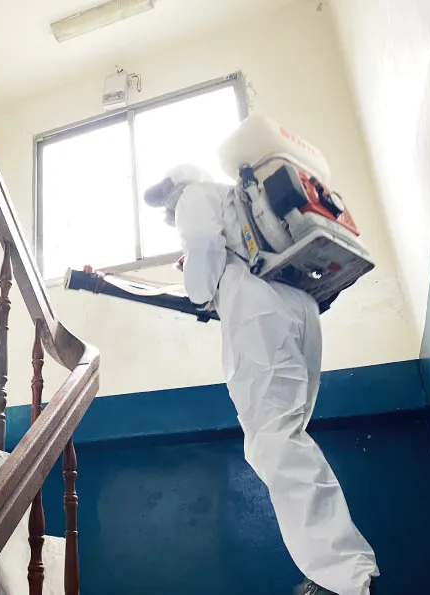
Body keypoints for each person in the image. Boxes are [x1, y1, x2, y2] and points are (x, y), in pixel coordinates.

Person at [144, 163, 379, 595]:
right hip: (301, 306)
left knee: (273, 440)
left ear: (177, 187)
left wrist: (196, 281)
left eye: (165, 200)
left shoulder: (196, 196)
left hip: (259, 312)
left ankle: (342, 577)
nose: (166, 210)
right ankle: (339, 569)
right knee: (287, 437)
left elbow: (201, 271)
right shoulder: (240, 200)